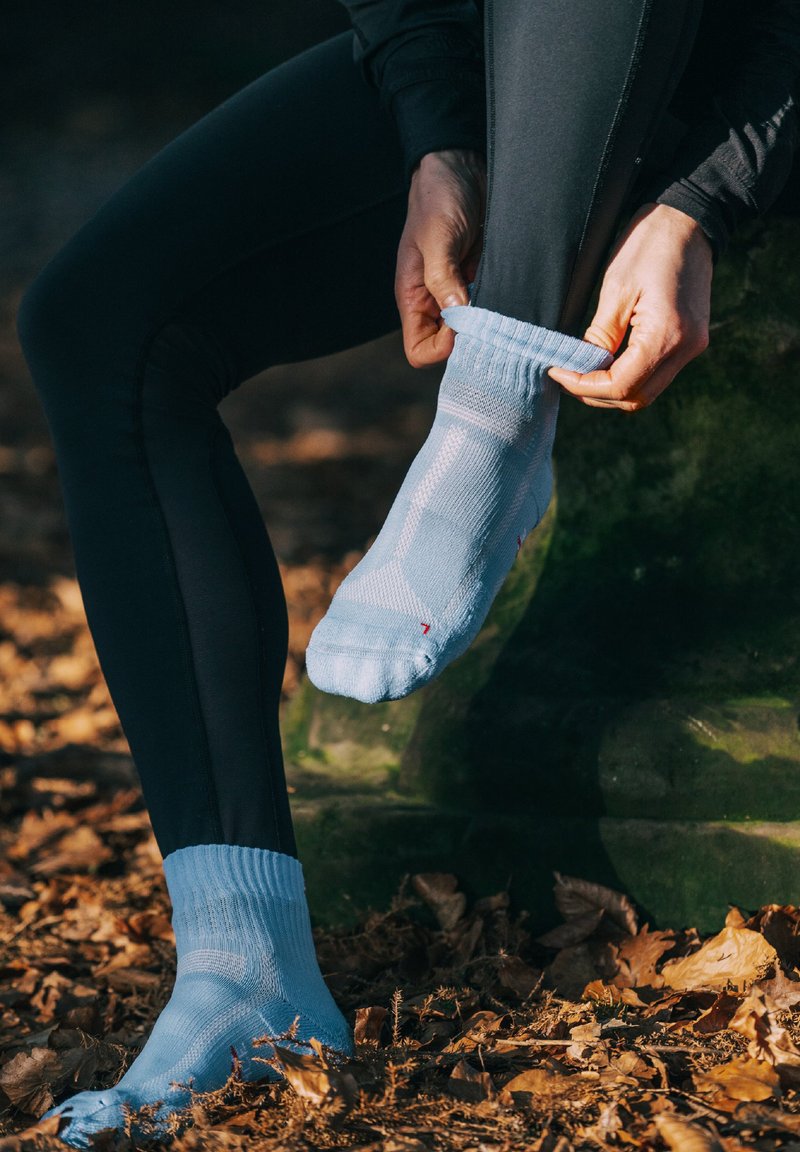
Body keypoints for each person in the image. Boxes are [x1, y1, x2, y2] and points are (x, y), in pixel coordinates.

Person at [15, 0, 798, 1145]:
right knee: (98, 323)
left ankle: (497, 406)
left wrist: (704, 194)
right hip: (515, 63)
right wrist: (439, 136)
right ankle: (243, 965)